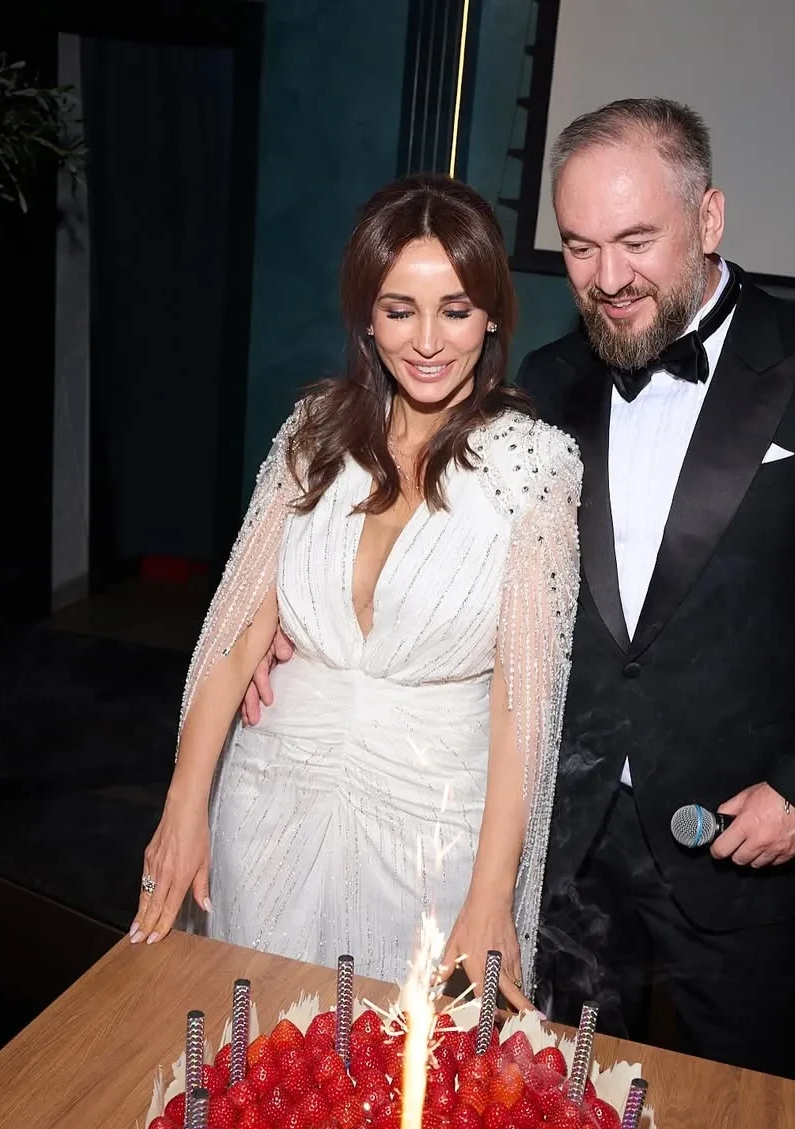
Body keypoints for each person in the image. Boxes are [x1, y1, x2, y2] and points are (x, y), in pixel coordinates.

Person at [516, 98, 795, 1075]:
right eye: (581, 248)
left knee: (745, 1124)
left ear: (709, 218)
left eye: (637, 241)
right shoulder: (546, 382)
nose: (607, 279)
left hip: (749, 840)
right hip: (570, 840)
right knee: (562, 1116)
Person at [129, 174, 582, 1012]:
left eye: (455, 309)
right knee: (250, 1052)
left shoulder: (534, 469)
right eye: (399, 309)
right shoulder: (312, 436)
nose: (428, 341)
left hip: (433, 836)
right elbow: (234, 634)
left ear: (491, 315)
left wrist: (491, 894)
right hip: (268, 806)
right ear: (368, 318)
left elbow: (525, 706)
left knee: (402, 1075)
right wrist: (184, 805)